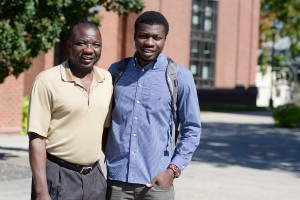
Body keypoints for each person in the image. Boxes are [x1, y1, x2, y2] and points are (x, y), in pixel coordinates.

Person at [105, 11, 202, 200]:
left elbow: (192, 129)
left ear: (165, 39)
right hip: (117, 183)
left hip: (157, 184)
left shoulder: (180, 77)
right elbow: (104, 122)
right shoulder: (116, 72)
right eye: (143, 36)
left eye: (156, 37)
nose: (149, 42)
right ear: (134, 36)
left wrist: (172, 171)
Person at [27, 21, 112, 200]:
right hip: (58, 177)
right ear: (69, 45)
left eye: (96, 45)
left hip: (95, 178)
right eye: (81, 43)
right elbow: (36, 138)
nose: (89, 50)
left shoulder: (106, 80)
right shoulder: (47, 81)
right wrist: (41, 191)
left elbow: (106, 132)